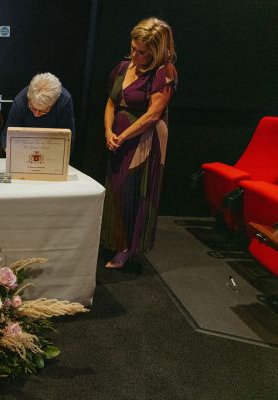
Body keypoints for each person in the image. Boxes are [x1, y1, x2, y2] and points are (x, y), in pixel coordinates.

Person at [101, 17, 178, 269]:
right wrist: (108, 131)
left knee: (132, 191)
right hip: (119, 137)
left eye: (142, 52)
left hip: (143, 139)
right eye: (133, 48)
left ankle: (127, 248)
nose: (135, 54)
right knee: (115, 189)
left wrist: (123, 136)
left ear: (155, 51)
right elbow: (112, 102)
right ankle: (115, 240)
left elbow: (153, 115)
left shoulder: (163, 72)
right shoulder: (124, 67)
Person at [3, 72, 75, 150]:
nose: (36, 114)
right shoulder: (20, 101)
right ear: (29, 99)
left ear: (53, 103)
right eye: (33, 108)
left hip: (52, 146)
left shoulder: (64, 101)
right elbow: (8, 136)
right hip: (24, 146)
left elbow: (67, 139)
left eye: (42, 111)